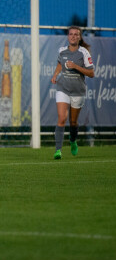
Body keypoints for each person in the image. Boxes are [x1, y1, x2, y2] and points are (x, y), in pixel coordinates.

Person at [50, 26, 94, 160]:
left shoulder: (84, 53)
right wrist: (55, 74)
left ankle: (73, 140)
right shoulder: (62, 51)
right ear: (68, 36)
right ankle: (58, 150)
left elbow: (91, 73)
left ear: (79, 37)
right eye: (71, 34)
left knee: (73, 122)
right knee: (62, 118)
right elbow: (59, 64)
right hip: (63, 88)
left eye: (76, 34)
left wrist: (76, 66)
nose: (73, 36)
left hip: (78, 91)